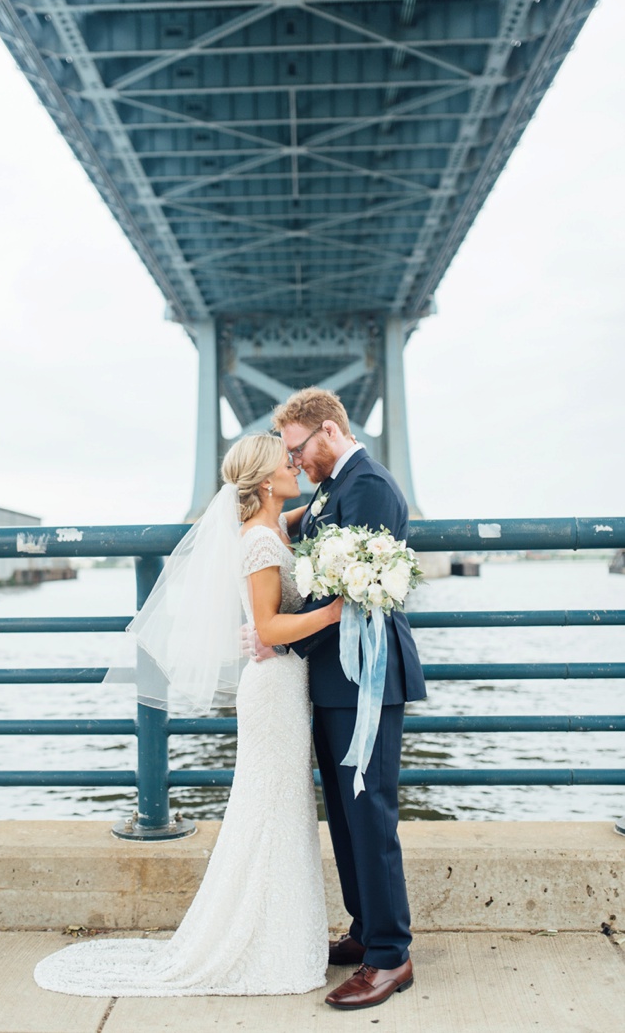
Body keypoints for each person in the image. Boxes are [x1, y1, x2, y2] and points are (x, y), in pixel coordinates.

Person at [35, 434, 343, 997]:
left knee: (282, 808)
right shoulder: (259, 541)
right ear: (264, 481)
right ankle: (261, 940)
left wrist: (333, 500)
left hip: (285, 685)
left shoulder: (275, 526)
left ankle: (279, 931)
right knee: (270, 809)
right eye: (286, 462)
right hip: (274, 688)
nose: (295, 465)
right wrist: (335, 611)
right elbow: (271, 629)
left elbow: (306, 514)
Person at [269, 387, 425, 1010]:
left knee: (371, 814)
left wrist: (279, 635)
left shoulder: (370, 487)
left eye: (298, 449)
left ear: (329, 431)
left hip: (368, 677)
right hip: (337, 679)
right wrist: (255, 511)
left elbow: (349, 591)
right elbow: (301, 531)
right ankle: (366, 930)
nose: (294, 462)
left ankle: (391, 956)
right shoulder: (333, 487)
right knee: (344, 811)